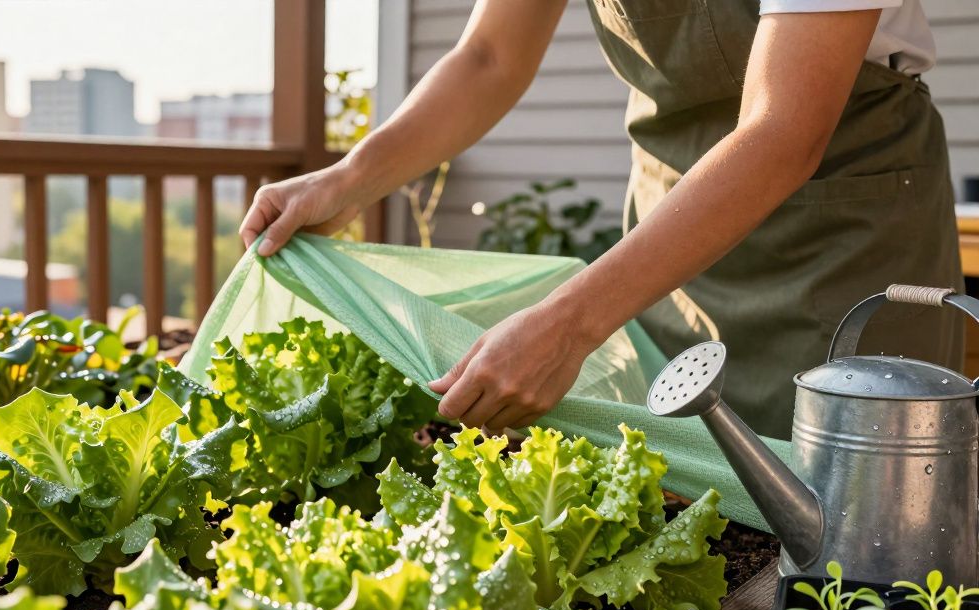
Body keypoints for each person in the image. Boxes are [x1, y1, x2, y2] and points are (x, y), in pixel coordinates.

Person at [238, 0, 962, 440]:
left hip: (842, 239)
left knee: (852, 532)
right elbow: (489, 57)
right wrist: (349, 180)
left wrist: (568, 324)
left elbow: (783, 132)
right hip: (675, 246)